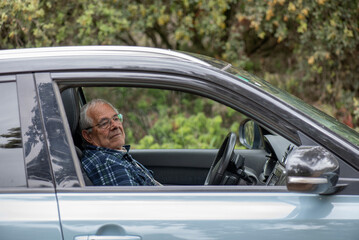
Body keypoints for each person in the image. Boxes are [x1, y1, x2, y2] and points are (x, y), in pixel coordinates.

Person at [79, 99, 161, 186]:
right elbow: (132, 199)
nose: (115, 125)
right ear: (88, 136)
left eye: (116, 118)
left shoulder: (114, 155)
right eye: (104, 123)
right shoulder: (107, 163)